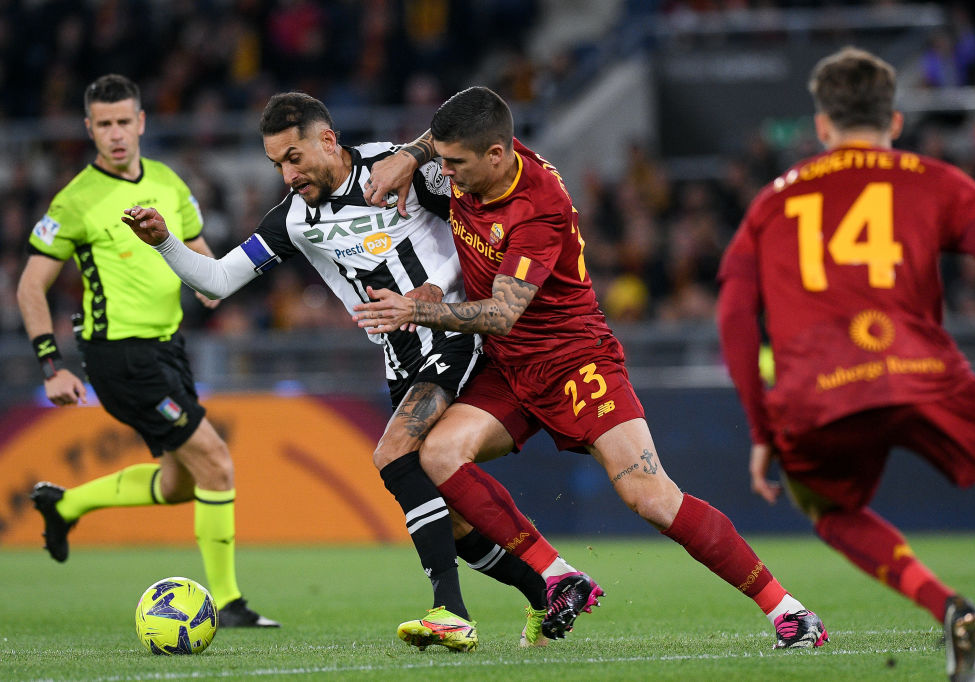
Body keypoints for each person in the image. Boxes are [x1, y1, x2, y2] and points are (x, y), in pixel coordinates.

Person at [356, 85, 828, 649]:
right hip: (510, 369)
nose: (447, 173)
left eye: (455, 163)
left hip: (575, 362)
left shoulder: (538, 208)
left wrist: (416, 308)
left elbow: (504, 313)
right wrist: (412, 154)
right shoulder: (478, 154)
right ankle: (560, 578)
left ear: (497, 156)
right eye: (444, 158)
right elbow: (444, 137)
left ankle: (789, 611)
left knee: (651, 499)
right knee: (435, 454)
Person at [122, 91, 552, 651]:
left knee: (393, 455)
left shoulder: (396, 168)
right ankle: (547, 592)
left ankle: (451, 611)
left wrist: (433, 287)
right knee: (453, 522)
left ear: (328, 140)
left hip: (452, 335)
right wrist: (165, 244)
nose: (287, 174)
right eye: (277, 164)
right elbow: (219, 281)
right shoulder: (295, 219)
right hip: (402, 363)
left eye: (293, 158)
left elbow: (477, 228)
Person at [716, 47, 975, 682]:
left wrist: (761, 429)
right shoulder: (937, 181)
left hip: (815, 391)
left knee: (824, 504)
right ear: (897, 122)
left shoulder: (772, 203)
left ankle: (951, 609)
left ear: (822, 127)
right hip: (924, 373)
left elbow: (734, 317)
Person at [16, 74, 277, 627]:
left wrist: (225, 285)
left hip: (168, 351)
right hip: (120, 357)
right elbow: (29, 286)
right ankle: (229, 606)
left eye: (123, 122)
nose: (115, 134)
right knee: (215, 462)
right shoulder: (75, 200)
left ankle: (65, 505)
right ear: (89, 129)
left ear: (141, 122)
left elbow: (207, 271)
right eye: (103, 124)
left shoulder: (168, 182)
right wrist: (50, 365)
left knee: (183, 482)